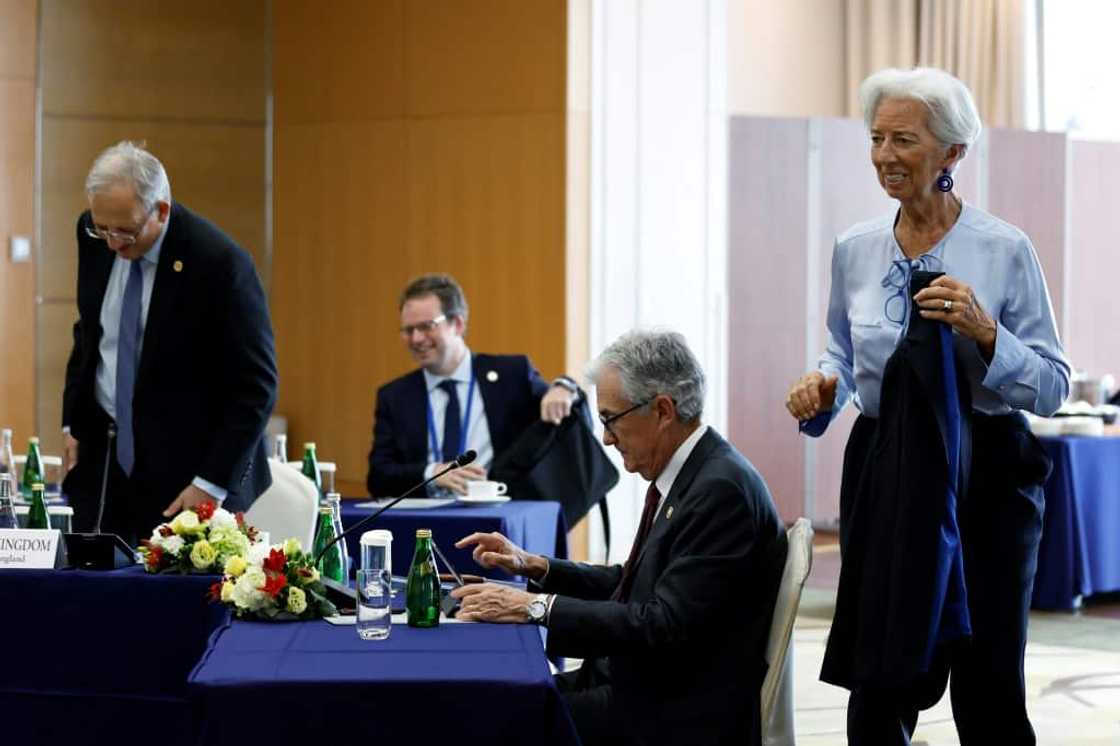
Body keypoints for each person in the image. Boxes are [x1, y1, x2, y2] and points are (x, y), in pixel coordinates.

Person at [785, 68, 1070, 745]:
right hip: (890, 465)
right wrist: (824, 388)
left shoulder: (1004, 248)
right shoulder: (856, 248)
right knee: (880, 672)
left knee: (988, 678)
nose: (885, 155)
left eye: (904, 140)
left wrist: (986, 330)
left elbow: (1054, 387)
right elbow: (842, 356)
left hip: (990, 474)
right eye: (877, 138)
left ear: (952, 153)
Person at [452, 330, 786, 746]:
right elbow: (636, 583)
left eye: (610, 419)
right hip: (640, 685)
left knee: (491, 715)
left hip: (675, 713)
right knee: (487, 697)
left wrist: (534, 606)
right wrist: (537, 567)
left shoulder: (720, 490)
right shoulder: (696, 473)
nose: (607, 438)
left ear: (662, 410)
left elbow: (663, 624)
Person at [62, 141, 278, 545]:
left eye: (125, 231)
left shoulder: (219, 263)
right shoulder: (93, 233)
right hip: (106, 465)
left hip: (190, 475)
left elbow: (256, 386)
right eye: (101, 227)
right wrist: (72, 421)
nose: (111, 243)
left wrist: (211, 485)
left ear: (161, 210)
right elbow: (91, 332)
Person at [366, 273, 577, 497]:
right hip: (425, 524)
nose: (416, 339)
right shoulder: (395, 396)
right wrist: (433, 472)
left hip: (497, 517)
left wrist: (565, 387)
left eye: (427, 326)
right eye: (409, 330)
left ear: (457, 324)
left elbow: (565, 411)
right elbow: (378, 477)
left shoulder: (511, 375)